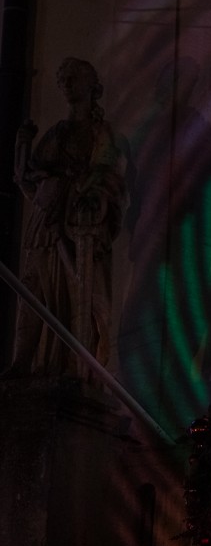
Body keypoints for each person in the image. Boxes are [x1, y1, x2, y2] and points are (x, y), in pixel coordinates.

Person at [5, 57, 127, 377]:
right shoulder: (56, 133)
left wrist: (91, 193)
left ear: (92, 86)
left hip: (77, 226)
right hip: (45, 220)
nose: (67, 84)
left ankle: (75, 367)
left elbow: (109, 176)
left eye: (74, 77)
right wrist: (22, 147)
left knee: (77, 295)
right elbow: (31, 179)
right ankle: (22, 361)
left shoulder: (101, 133)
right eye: (63, 79)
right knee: (32, 290)